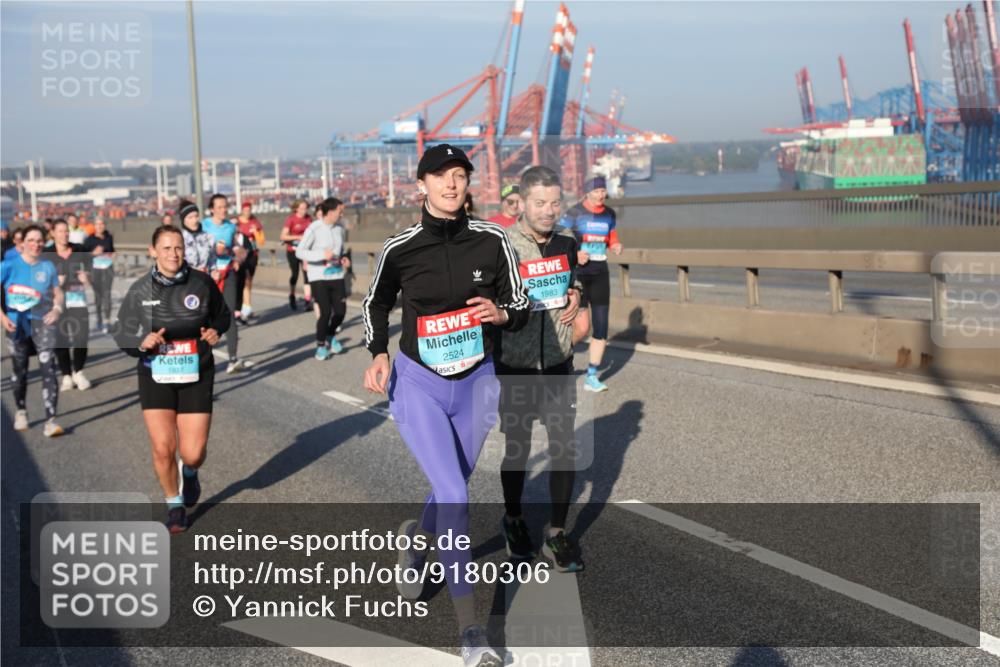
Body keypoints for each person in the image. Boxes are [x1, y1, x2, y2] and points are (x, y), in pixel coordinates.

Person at [362, 144, 529, 667]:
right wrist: (377, 352)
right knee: (456, 491)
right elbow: (375, 302)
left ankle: (417, 540)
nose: (451, 185)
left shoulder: (493, 239)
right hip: (419, 383)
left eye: (459, 176)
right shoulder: (402, 248)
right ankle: (471, 633)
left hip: (477, 382)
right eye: (441, 178)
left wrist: (500, 314)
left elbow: (520, 302)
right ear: (423, 186)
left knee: (450, 481)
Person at [113, 226, 231, 533]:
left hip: (196, 372)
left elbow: (223, 315)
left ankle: (189, 472)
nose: (173, 254)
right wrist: (142, 341)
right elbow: (122, 331)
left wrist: (214, 330)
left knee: (192, 452)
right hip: (155, 374)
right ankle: (174, 504)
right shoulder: (140, 290)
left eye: (178, 248)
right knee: (163, 447)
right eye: (166, 248)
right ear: (153, 251)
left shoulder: (201, 282)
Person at [496, 166, 585, 572]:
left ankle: (556, 533)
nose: (548, 211)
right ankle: (513, 519)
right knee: (517, 445)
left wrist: (575, 294)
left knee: (564, 447)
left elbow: (575, 280)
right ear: (522, 203)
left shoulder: (567, 242)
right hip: (515, 364)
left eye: (555, 203)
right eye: (539, 203)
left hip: (558, 363)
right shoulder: (503, 245)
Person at [2, 225, 65, 437]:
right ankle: (21, 410)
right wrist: (2, 318)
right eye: (31, 240)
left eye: (39, 241)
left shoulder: (48, 266)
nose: (36, 244)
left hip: (43, 324)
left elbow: (58, 293)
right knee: (20, 371)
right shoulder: (8, 265)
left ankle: (51, 420)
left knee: (49, 369)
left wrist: (57, 309)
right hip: (16, 324)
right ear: (22, 244)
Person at [562, 176, 622, 392]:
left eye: (603, 191)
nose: (601, 195)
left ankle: (591, 376)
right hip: (578, 274)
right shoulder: (574, 213)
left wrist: (615, 246)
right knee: (582, 327)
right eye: (596, 191)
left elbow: (611, 237)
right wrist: (575, 254)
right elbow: (559, 238)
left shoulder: (609, 215)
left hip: (600, 273)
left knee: (601, 326)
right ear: (587, 192)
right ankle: (556, 359)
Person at [296, 197, 350, 360]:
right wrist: (321, 255)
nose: (342, 214)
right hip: (318, 276)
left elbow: (341, 250)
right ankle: (320, 346)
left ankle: (329, 335)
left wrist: (344, 258)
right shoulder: (315, 228)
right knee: (325, 312)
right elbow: (300, 251)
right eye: (340, 211)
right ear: (331, 211)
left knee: (340, 312)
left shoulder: (340, 229)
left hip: (337, 274)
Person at [202, 194, 247, 374]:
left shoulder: (231, 227)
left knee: (229, 314)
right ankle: (204, 358)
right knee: (206, 317)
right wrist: (213, 250)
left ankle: (233, 358)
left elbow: (239, 249)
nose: (223, 210)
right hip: (207, 276)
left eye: (225, 206)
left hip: (227, 273)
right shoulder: (204, 225)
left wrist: (237, 257)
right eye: (219, 207)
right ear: (212, 209)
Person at [50, 218, 93, 391]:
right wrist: (56, 282)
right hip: (56, 302)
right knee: (61, 338)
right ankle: (66, 375)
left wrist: (87, 278)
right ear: (52, 233)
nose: (64, 234)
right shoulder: (47, 253)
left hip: (77, 299)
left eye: (66, 230)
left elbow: (91, 274)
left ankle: (79, 372)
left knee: (81, 336)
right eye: (60, 231)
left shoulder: (80, 249)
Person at [83, 217, 115, 333]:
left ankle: (107, 322)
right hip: (95, 270)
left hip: (108, 269)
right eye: (97, 224)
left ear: (104, 225)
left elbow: (112, 249)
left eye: (102, 224)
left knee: (107, 295)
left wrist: (112, 255)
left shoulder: (109, 237)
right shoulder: (89, 240)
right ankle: (99, 320)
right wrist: (93, 253)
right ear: (94, 226)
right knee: (98, 297)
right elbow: (83, 256)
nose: (100, 226)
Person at [280, 200, 312, 311]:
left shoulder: (309, 218)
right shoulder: (291, 219)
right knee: (295, 274)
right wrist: (297, 237)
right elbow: (283, 236)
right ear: (296, 209)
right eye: (302, 208)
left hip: (305, 251)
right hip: (292, 250)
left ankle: (308, 299)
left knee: (307, 273)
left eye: (306, 208)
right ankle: (292, 295)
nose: (304, 211)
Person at [237, 201, 264, 319]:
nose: (247, 212)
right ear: (242, 210)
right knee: (244, 279)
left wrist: (256, 232)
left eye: (249, 210)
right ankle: (245, 306)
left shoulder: (255, 222)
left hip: (252, 255)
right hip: (240, 255)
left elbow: (262, 241)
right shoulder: (236, 223)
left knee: (249, 281)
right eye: (245, 210)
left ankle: (246, 305)